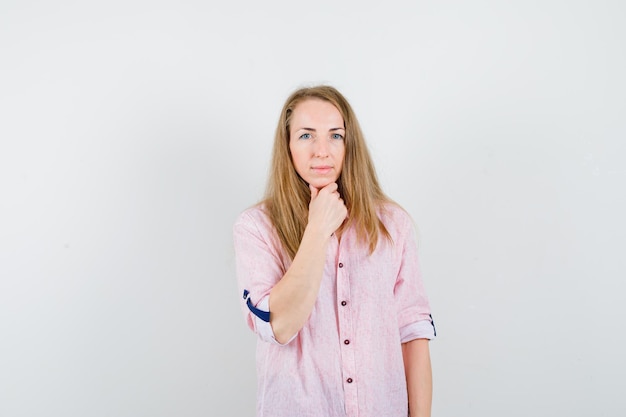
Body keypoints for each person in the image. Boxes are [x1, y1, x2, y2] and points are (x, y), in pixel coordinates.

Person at [233, 85, 436, 417]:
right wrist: (317, 229)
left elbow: (413, 333)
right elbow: (279, 326)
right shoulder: (255, 228)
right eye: (306, 136)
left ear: (349, 144)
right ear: (287, 146)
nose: (321, 151)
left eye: (335, 136)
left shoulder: (392, 225)